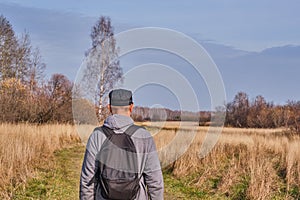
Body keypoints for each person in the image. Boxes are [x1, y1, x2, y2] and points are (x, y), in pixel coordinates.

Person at [80, 89, 164, 200]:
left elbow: (87, 180)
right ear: (131, 107)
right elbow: (155, 181)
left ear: (109, 107)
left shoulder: (97, 136)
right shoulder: (144, 136)